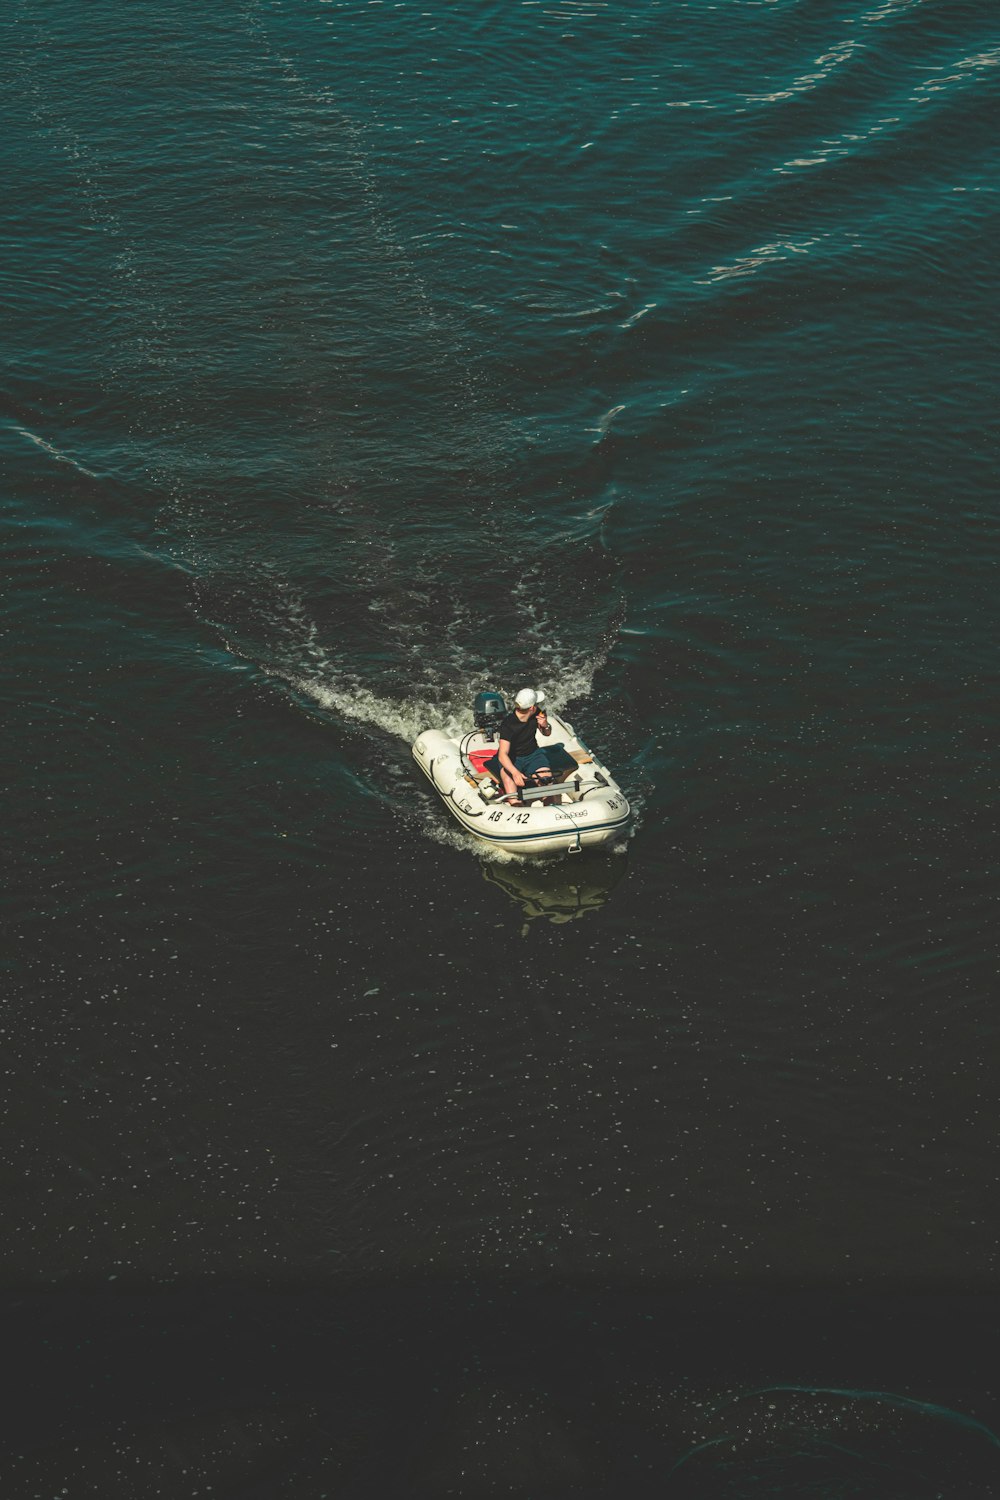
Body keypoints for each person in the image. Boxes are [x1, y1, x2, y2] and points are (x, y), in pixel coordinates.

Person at [497, 688, 553, 805]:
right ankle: (516, 804)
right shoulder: (508, 724)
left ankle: (549, 805)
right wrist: (515, 772)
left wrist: (545, 725)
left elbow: (547, 733)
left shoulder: (538, 713)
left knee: (547, 780)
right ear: (531, 708)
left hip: (533, 754)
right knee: (509, 781)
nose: (538, 706)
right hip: (513, 758)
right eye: (536, 704)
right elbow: (502, 755)